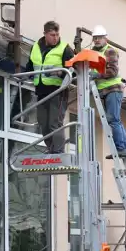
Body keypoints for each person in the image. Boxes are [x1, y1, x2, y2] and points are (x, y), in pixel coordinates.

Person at [26, 21, 75, 154]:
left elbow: (74, 69)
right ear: (45, 34)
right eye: (52, 35)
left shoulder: (65, 48)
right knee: (43, 122)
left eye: (57, 34)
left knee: (55, 122)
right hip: (41, 91)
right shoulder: (36, 47)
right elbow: (31, 65)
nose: (55, 38)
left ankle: (58, 151)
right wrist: (25, 76)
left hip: (58, 91)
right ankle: (51, 148)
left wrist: (60, 72)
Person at [89, 25, 126, 159]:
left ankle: (121, 148)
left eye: (99, 38)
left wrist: (96, 76)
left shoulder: (110, 51)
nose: (96, 40)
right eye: (95, 38)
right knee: (114, 119)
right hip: (105, 90)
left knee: (113, 119)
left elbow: (112, 71)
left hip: (113, 89)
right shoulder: (93, 52)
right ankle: (125, 149)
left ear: (105, 38)